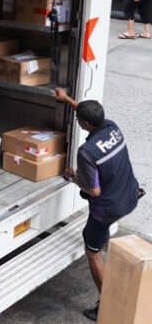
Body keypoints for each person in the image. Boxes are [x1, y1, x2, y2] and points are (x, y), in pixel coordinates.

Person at [54, 88, 142, 321]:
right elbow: (87, 112)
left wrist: (72, 177)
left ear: (85, 124)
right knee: (99, 241)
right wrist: (68, 100)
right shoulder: (112, 127)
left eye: (78, 120)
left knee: (92, 252)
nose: (78, 122)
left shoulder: (87, 153)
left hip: (108, 208)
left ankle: (107, 304)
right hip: (130, 194)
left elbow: (93, 190)